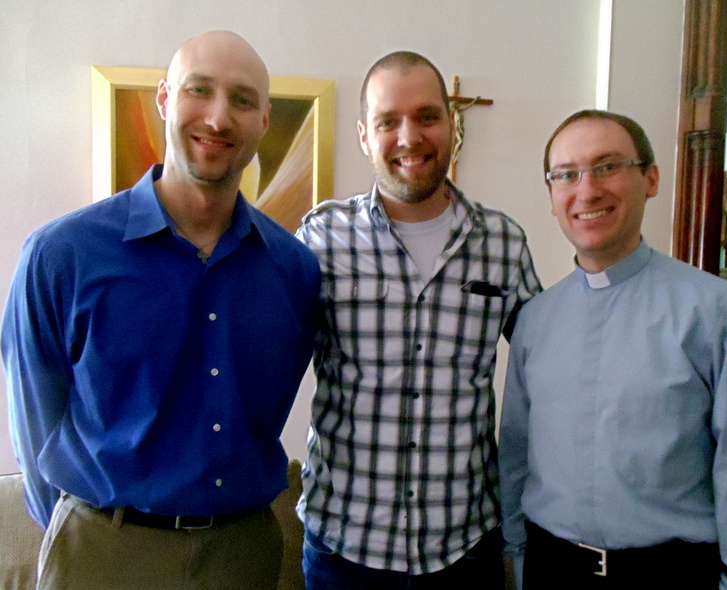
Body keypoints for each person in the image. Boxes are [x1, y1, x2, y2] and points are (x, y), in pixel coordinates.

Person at [1, 30, 320, 589]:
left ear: (264, 121)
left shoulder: (293, 270)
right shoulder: (61, 255)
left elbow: (266, 413)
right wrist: (95, 530)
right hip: (103, 555)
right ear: (165, 98)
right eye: (200, 90)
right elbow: (36, 427)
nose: (218, 118)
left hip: (241, 556)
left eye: (242, 100)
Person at [499, 109, 727, 589]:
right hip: (551, 571)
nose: (587, 190)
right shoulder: (534, 321)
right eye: (566, 175)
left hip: (669, 575)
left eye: (607, 166)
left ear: (651, 178)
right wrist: (515, 560)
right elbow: (516, 456)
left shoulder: (719, 314)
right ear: (552, 196)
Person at [295, 51, 541, 589]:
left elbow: (549, 372)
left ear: (452, 124)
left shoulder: (503, 243)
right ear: (364, 136)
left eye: (427, 116)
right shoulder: (321, 238)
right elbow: (262, 356)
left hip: (464, 550)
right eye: (388, 121)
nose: (409, 137)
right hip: (344, 550)